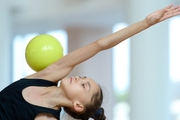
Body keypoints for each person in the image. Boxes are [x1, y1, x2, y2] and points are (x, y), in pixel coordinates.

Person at [0, 4, 180, 120]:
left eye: (84, 85)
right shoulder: (49, 74)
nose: (79, 78)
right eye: (83, 78)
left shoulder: (45, 117)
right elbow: (100, 44)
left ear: (78, 105)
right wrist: (146, 22)